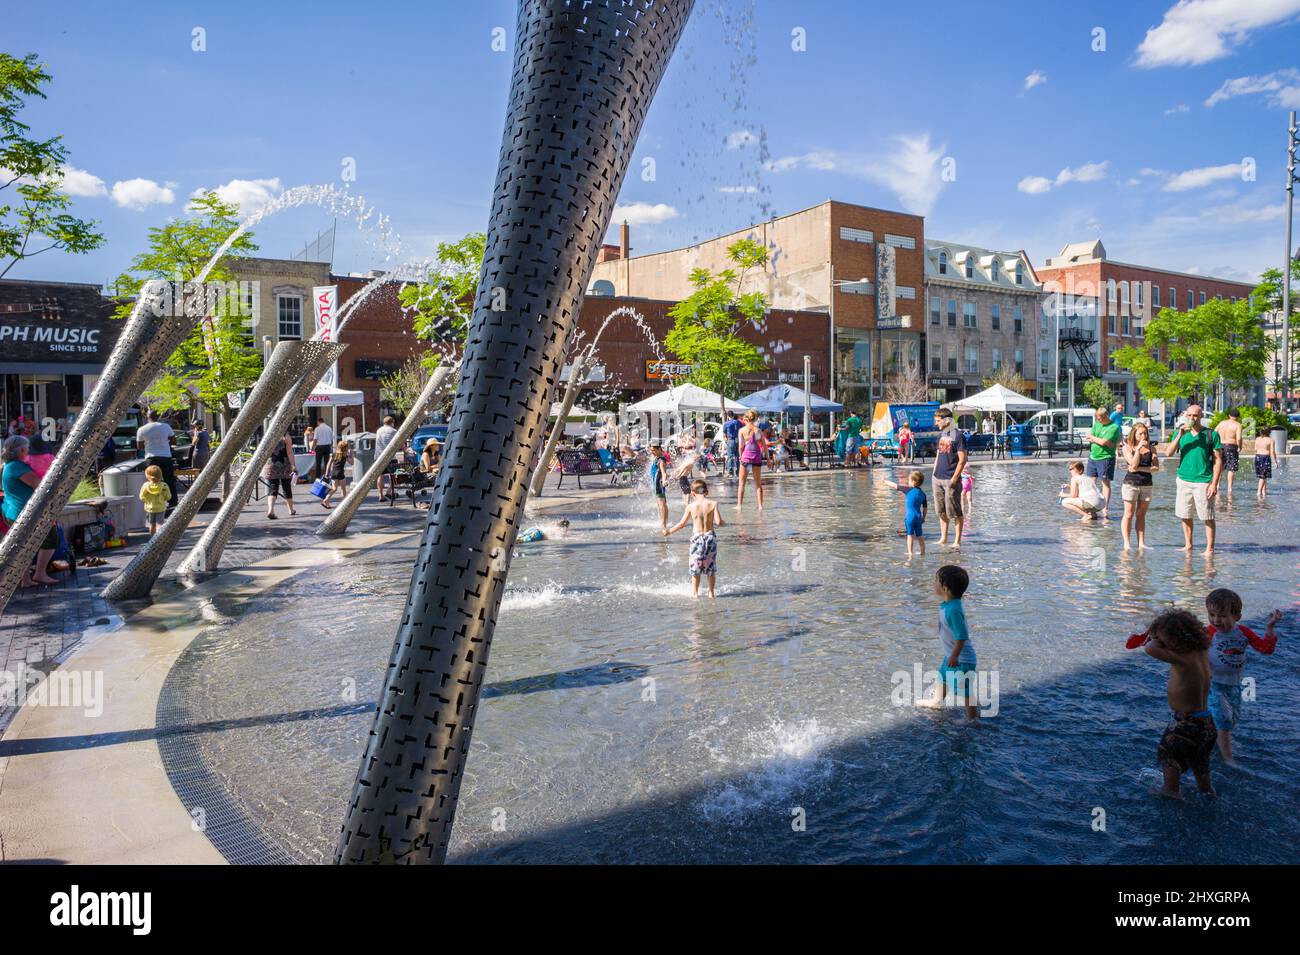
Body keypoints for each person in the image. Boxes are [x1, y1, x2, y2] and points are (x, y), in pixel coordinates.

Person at [1130, 608, 1215, 796]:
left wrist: (1154, 638)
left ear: (1174, 640)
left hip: (1185, 724)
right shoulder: (1202, 650)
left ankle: (1171, 793)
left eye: (1162, 639)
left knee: (1168, 756)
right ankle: (1207, 791)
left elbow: (1149, 648)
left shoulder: (1181, 658)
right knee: (1200, 763)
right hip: (1207, 724)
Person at [1203, 588, 1279, 764]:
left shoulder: (1243, 632)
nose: (1216, 620)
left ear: (1236, 616)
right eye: (1211, 614)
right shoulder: (1209, 633)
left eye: (1222, 615)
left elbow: (1265, 649)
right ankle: (1228, 759)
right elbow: (1194, 650)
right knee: (1224, 720)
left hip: (1234, 686)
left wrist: (1269, 628)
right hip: (1214, 685)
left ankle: (1213, 741)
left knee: (1230, 720)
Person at [917, 565, 978, 721]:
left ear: (945, 588)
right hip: (952, 655)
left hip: (961, 659)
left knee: (964, 689)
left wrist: (955, 656)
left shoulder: (953, 610)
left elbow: (962, 636)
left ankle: (972, 719)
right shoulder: (949, 605)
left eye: (935, 581)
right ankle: (937, 701)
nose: (933, 583)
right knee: (942, 677)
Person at [1161, 403, 1222, 553]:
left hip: (1203, 480)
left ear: (1201, 416)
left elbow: (1218, 460)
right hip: (1183, 479)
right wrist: (1179, 436)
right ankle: (1188, 544)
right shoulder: (1180, 433)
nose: (1192, 418)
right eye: (1189, 415)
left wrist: (1214, 483)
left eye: (1195, 415)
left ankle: (1210, 548)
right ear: (1185, 416)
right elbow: (1168, 453)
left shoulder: (1211, 434)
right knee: (1185, 514)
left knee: (1207, 515)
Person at [1, 435, 58, 587]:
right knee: (51, 539)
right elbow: (38, 485)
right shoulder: (17, 467)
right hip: (24, 512)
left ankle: (25, 580)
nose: (29, 450)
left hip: (15, 511)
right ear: (21, 450)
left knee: (23, 546)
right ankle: (40, 574)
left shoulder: (9, 465)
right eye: (26, 447)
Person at [662, 477, 726, 598]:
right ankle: (711, 592)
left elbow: (681, 524)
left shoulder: (691, 506)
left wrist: (669, 531)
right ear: (706, 492)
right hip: (710, 538)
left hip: (697, 539)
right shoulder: (713, 504)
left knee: (695, 567)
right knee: (710, 567)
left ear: (692, 493)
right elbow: (718, 522)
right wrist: (725, 523)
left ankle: (695, 593)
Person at [930, 407, 967, 547]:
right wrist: (934, 472)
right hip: (937, 478)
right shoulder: (941, 435)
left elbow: (963, 459)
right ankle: (943, 538)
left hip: (951, 478)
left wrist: (954, 479)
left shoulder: (958, 436)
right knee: (941, 511)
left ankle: (957, 541)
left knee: (955, 511)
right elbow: (939, 454)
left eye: (938, 421)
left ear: (946, 420)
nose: (936, 423)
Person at [1119, 423, 1160, 549]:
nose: (1143, 436)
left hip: (1146, 484)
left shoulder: (1151, 448)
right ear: (1134, 434)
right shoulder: (1127, 448)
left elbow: (1156, 468)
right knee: (1129, 513)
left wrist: (1139, 468)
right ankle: (1127, 543)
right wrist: (1137, 450)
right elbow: (1132, 463)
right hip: (1131, 484)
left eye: (1145, 433)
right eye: (1140, 433)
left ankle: (1141, 543)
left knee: (1141, 514)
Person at [136, 408, 177, 515]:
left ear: (147, 417)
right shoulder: (166, 426)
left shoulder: (142, 429)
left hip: (151, 458)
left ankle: (153, 503)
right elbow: (173, 440)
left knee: (152, 480)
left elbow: (139, 446)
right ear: (158, 417)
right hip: (165, 456)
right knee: (169, 480)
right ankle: (173, 502)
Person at [1083, 406, 1121, 514]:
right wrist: (1099, 441)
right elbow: (1088, 436)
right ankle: (1091, 504)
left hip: (1106, 458)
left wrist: (1096, 439)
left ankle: (1105, 507)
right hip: (1093, 456)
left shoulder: (1113, 427)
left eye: (1100, 418)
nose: (1098, 420)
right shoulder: (1097, 424)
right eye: (1097, 418)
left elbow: (1103, 442)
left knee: (1105, 482)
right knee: (1090, 482)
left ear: (1106, 416)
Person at [881, 469, 927, 557]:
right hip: (918, 517)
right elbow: (925, 508)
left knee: (910, 535)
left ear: (913, 482)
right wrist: (923, 518)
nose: (908, 482)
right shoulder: (923, 494)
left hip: (909, 518)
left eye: (909, 480)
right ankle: (922, 552)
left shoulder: (908, 490)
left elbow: (895, 486)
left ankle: (910, 553)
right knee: (920, 536)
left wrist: (884, 481)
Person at [736, 409, 767, 511]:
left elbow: (741, 446)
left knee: (742, 483)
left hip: (746, 459)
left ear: (746, 419)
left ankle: (739, 506)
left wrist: (740, 457)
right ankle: (760, 506)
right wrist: (769, 459)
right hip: (756, 459)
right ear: (754, 419)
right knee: (758, 484)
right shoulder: (758, 430)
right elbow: (764, 446)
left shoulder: (742, 431)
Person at [264, 430, 298, 519]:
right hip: (284, 464)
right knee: (286, 487)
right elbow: (290, 452)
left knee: (273, 487)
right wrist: (293, 466)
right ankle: (291, 510)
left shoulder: (268, 434)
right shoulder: (286, 436)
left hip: (271, 464)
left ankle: (270, 510)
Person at [1214, 408, 1243, 497]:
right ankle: (1229, 488)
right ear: (1238, 417)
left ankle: (1217, 485)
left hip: (1220, 445)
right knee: (1231, 468)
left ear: (1229, 415)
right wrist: (1240, 447)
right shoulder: (1237, 425)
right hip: (1231, 446)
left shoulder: (1222, 423)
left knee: (1220, 466)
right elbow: (1238, 438)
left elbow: (1214, 432)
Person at [138, 464, 171, 534]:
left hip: (150, 508)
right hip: (160, 507)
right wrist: (163, 498)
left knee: (152, 524)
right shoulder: (164, 486)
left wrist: (147, 501)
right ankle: (159, 538)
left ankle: (152, 539)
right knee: (160, 524)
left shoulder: (146, 485)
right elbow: (168, 497)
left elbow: (141, 497)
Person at [320, 439, 353, 508]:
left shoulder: (334, 455)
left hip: (334, 473)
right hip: (341, 473)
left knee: (334, 488)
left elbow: (328, 464)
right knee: (343, 489)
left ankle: (326, 500)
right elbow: (352, 463)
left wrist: (326, 473)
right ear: (345, 448)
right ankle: (344, 503)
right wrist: (351, 455)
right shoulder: (345, 455)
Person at [374, 415, 400, 503]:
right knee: (392, 476)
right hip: (390, 456)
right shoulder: (393, 431)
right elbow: (399, 441)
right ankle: (389, 491)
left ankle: (380, 495)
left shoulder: (379, 430)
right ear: (392, 422)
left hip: (379, 456)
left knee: (380, 476)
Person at [648, 444, 669, 529]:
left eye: (653, 450)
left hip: (659, 484)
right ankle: (665, 521)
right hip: (655, 483)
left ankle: (663, 524)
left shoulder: (661, 461)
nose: (651, 452)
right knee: (662, 503)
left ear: (659, 449)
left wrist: (664, 480)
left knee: (661, 504)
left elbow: (664, 472)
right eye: (651, 450)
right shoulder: (656, 459)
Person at [1253, 428, 1278, 500]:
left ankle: (1264, 492)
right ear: (1269, 432)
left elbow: (1255, 449)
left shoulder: (1257, 439)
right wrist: (1275, 461)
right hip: (1265, 458)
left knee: (1263, 476)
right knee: (1263, 477)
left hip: (1257, 457)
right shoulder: (1270, 440)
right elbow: (1272, 452)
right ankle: (1258, 492)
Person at [722, 411, 742, 478]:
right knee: (737, 456)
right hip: (738, 439)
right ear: (733, 415)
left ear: (728, 416)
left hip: (730, 440)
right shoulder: (738, 422)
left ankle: (730, 471)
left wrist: (725, 439)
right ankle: (738, 471)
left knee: (730, 456)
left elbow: (724, 433)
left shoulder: (726, 423)